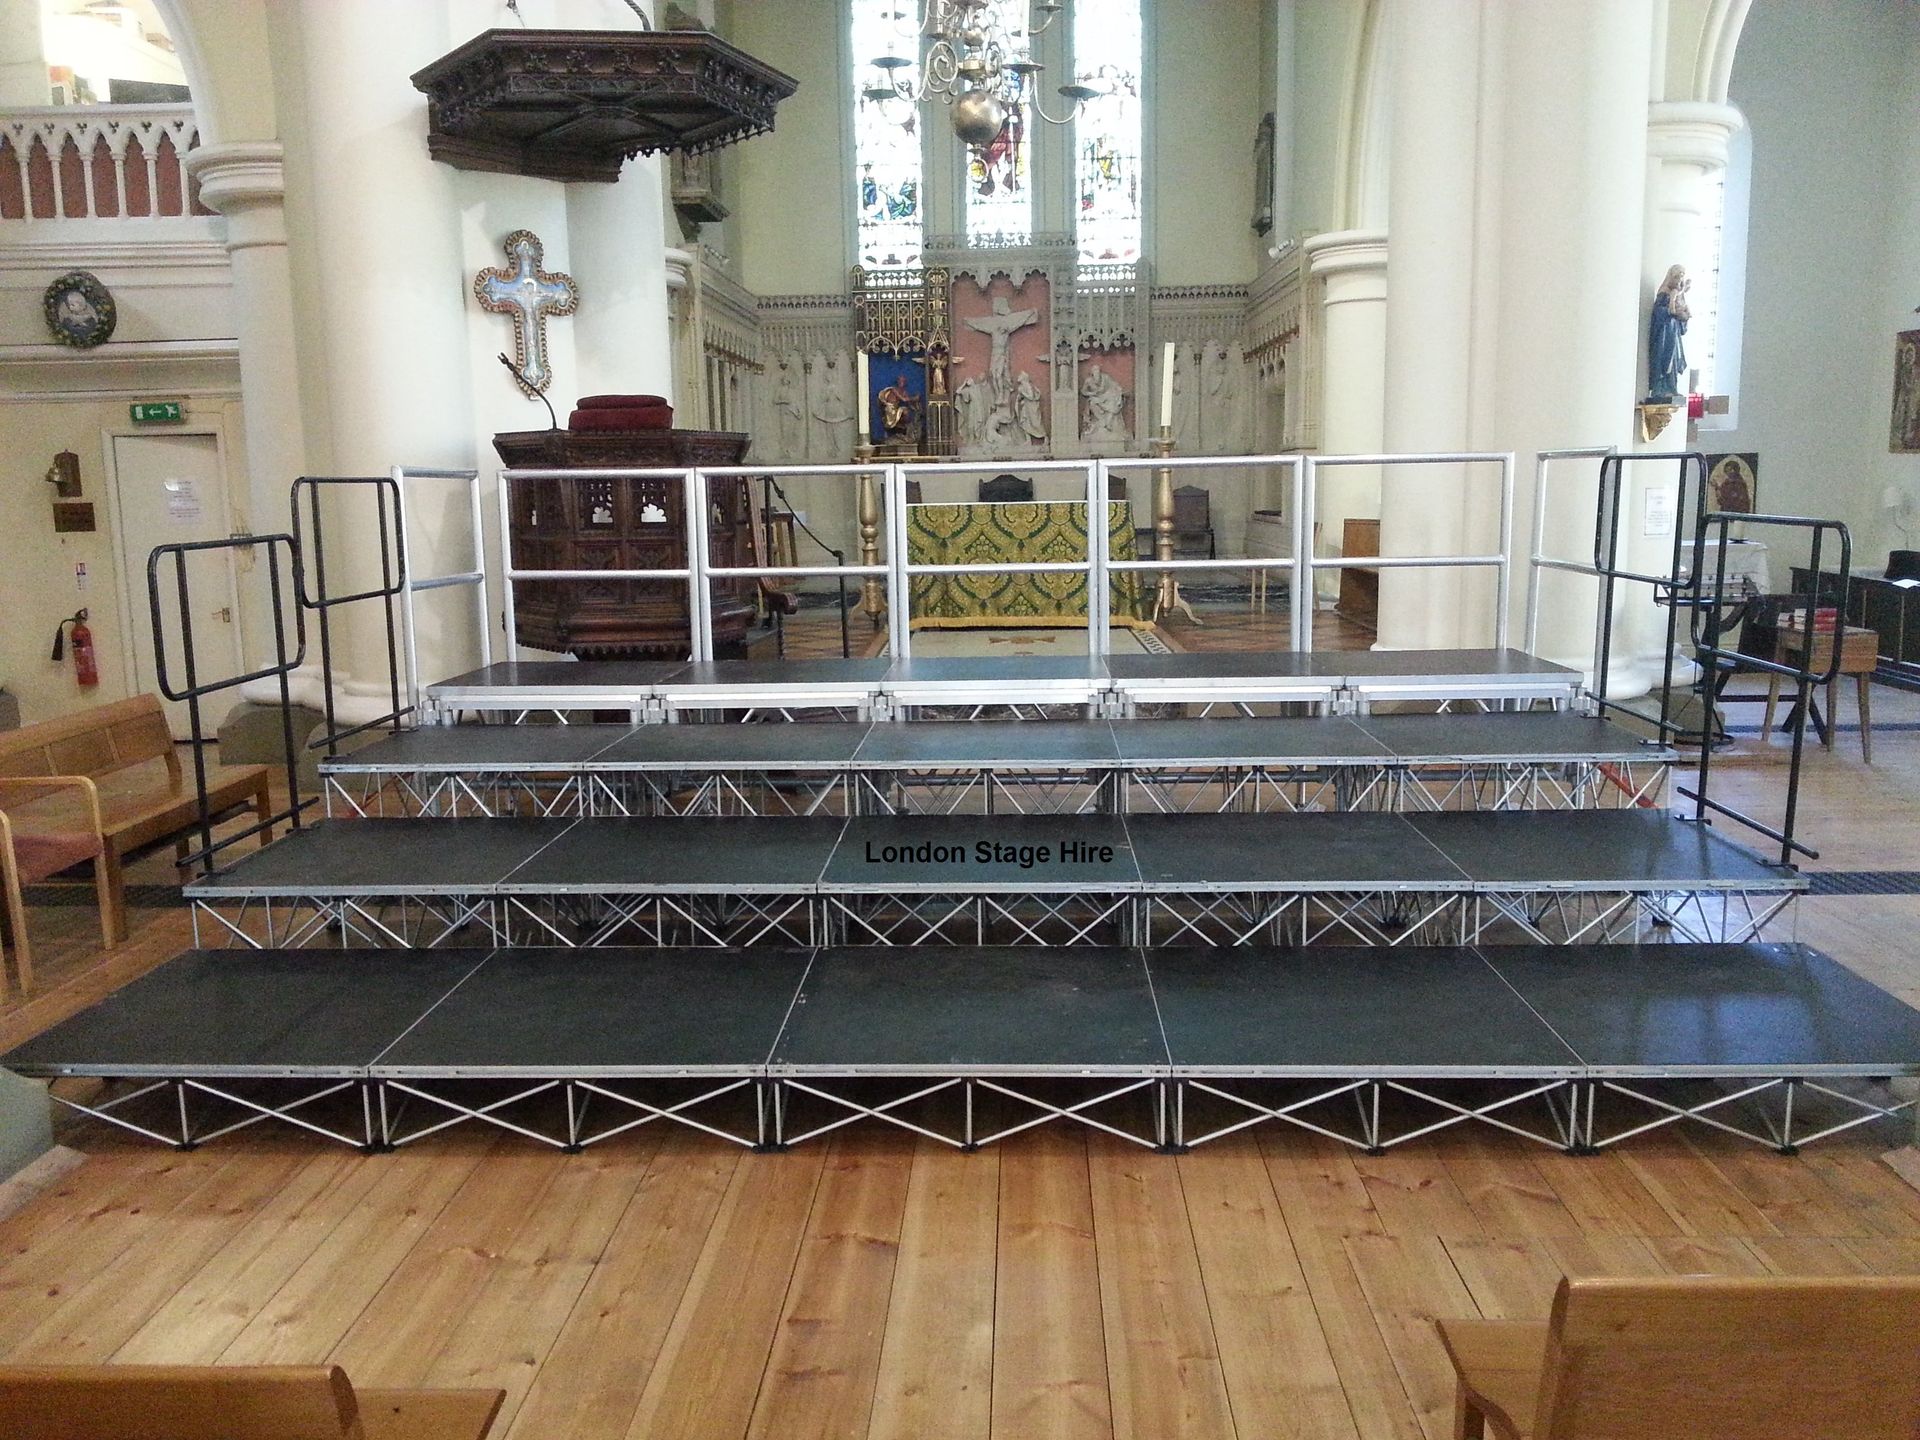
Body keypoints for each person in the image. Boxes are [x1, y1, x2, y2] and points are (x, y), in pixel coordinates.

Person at [1646, 264, 1690, 402]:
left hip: (1674, 332)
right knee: (1663, 359)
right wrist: (1671, 309)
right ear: (1671, 277)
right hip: (1664, 333)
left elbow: (1683, 320)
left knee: (1674, 361)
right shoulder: (1664, 292)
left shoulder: (1678, 295)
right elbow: (1658, 313)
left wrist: (1683, 316)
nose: (1679, 281)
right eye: (1677, 277)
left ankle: (1671, 388)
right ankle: (1659, 389)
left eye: (1681, 278)